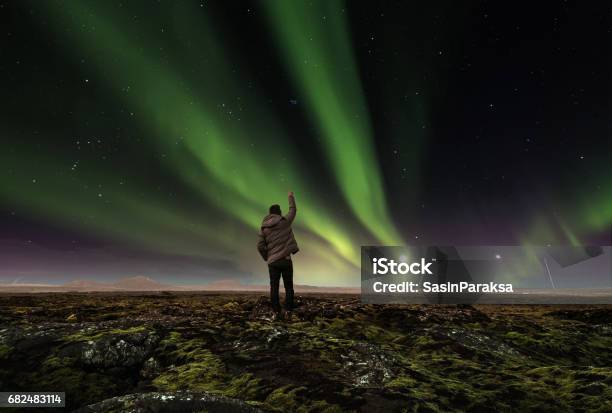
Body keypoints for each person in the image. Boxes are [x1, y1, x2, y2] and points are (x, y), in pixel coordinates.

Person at [257, 191, 299, 314]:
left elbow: (260, 246)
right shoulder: (285, 221)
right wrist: (290, 196)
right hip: (285, 260)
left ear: (269, 214)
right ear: (279, 212)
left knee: (274, 287)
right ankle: (289, 311)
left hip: (272, 262)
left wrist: (267, 257)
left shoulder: (263, 228)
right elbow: (293, 210)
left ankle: (276, 312)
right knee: (289, 287)